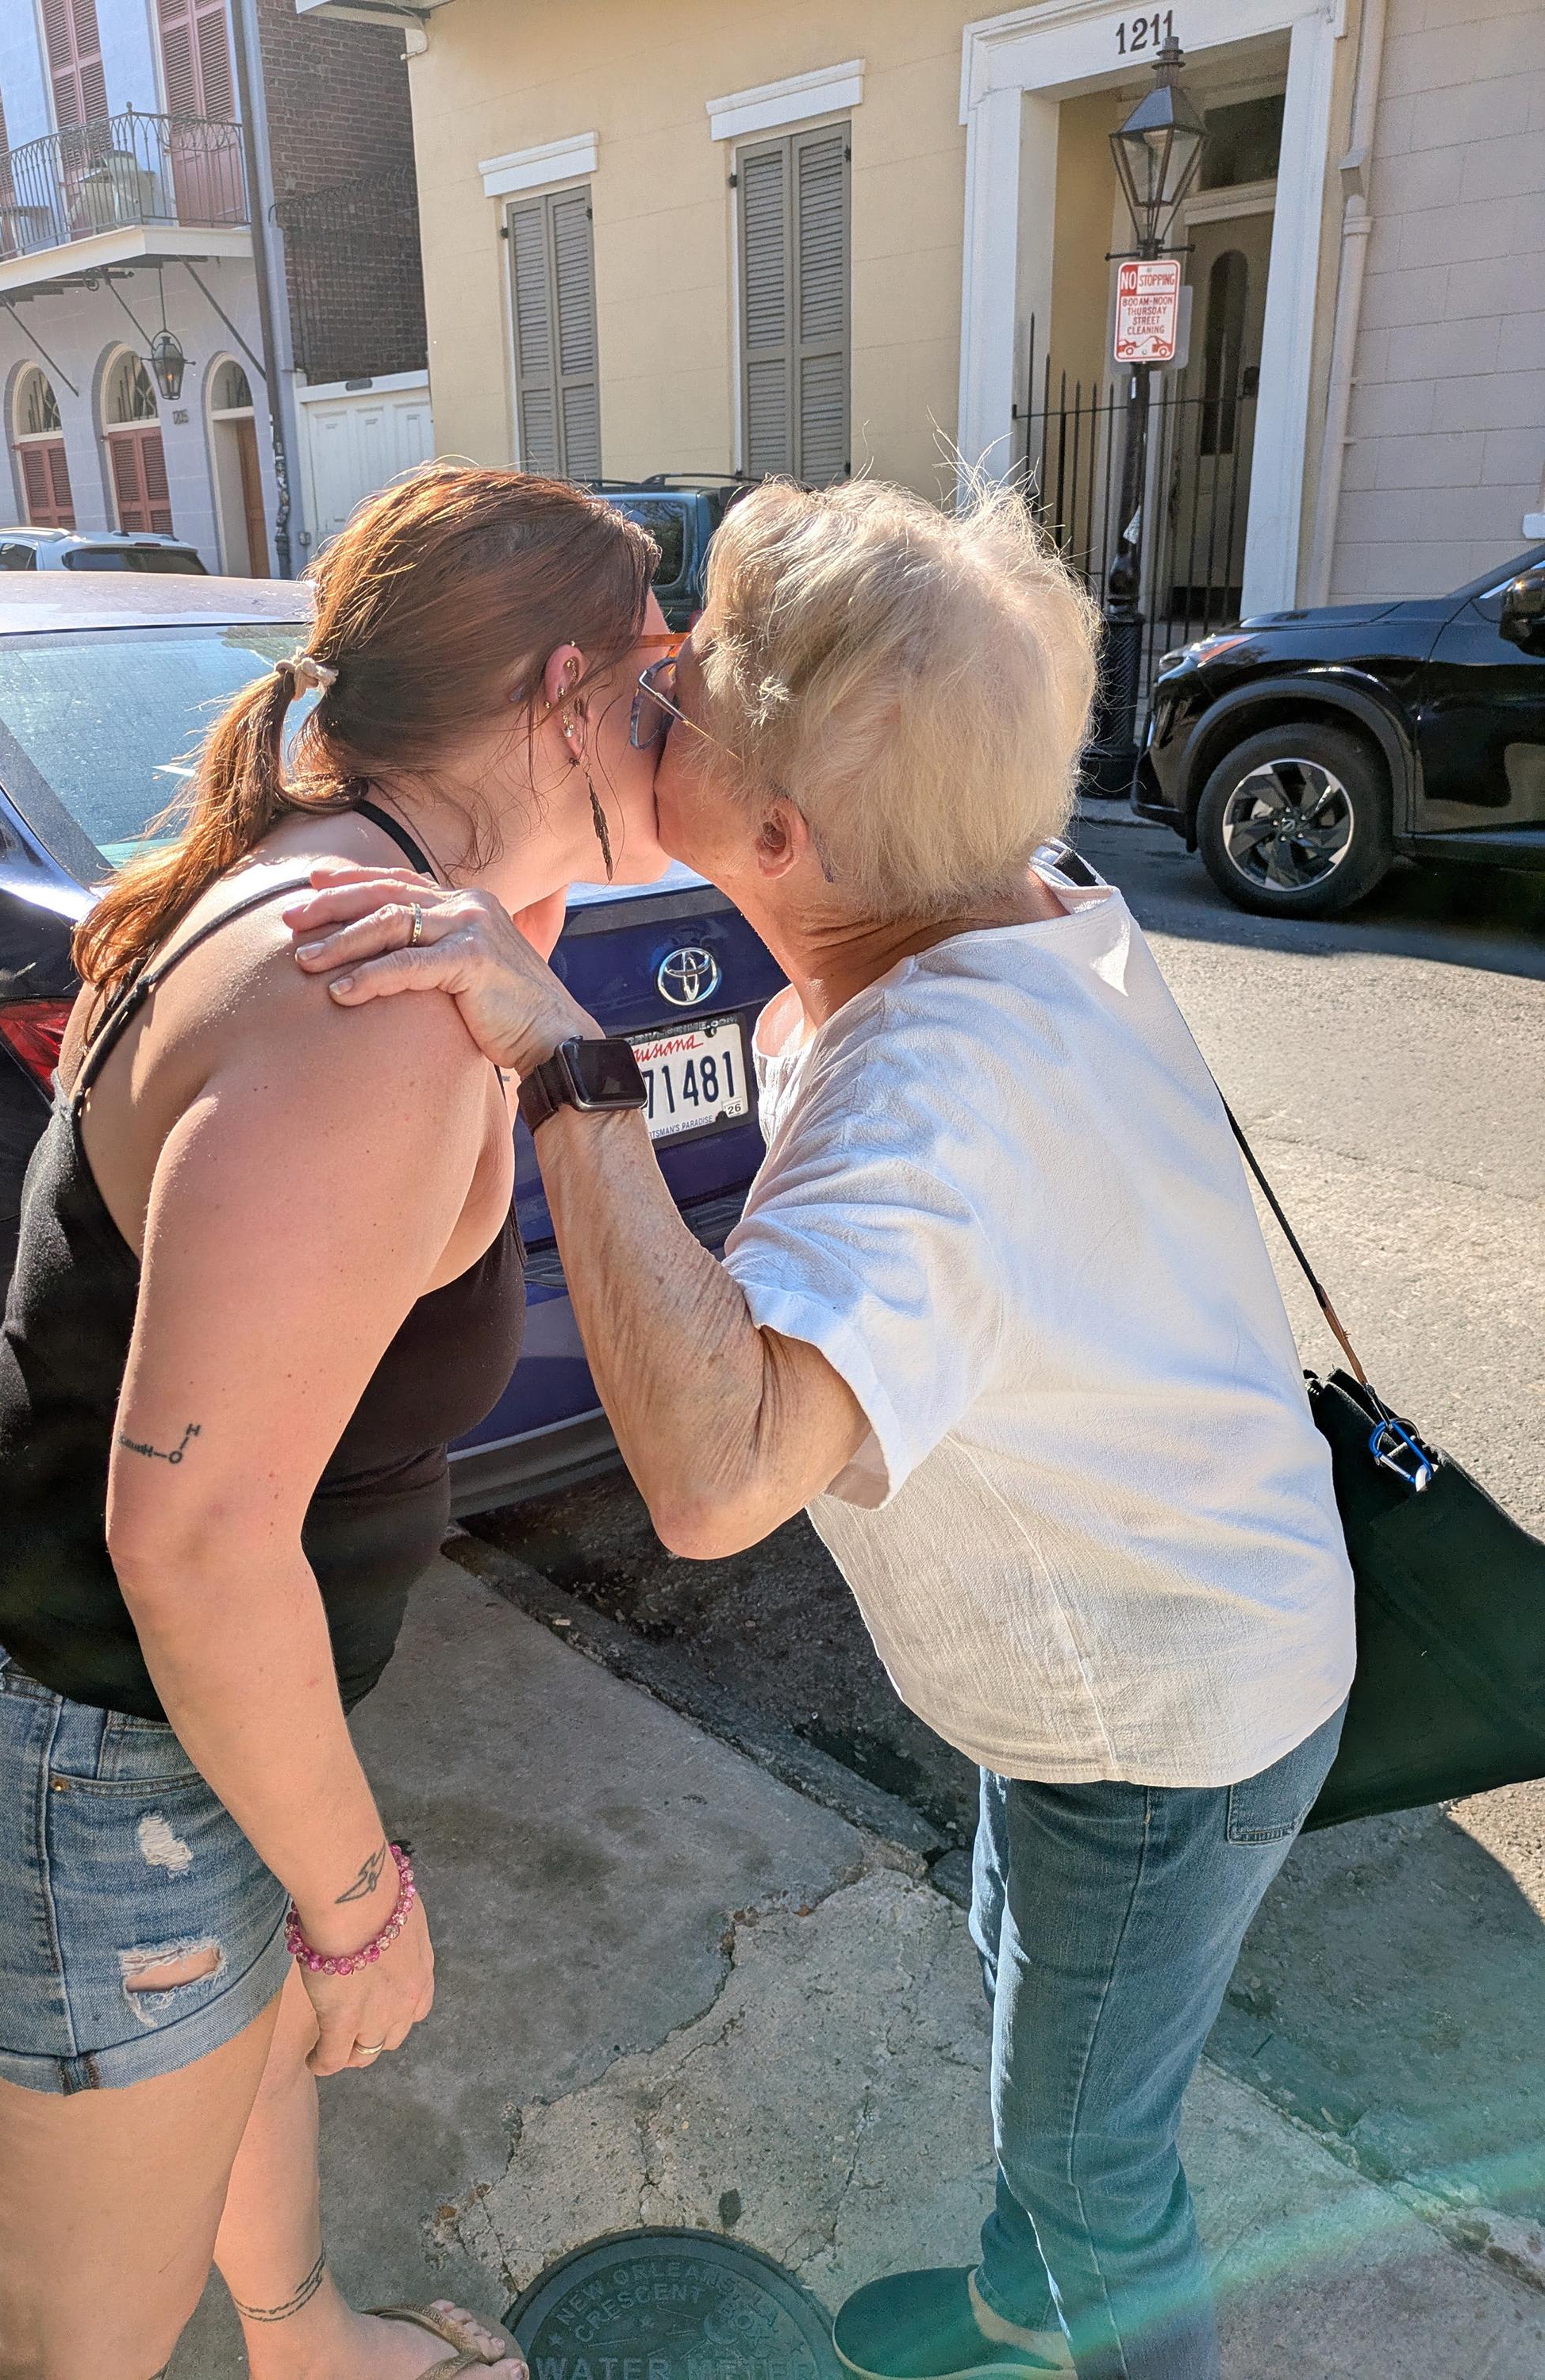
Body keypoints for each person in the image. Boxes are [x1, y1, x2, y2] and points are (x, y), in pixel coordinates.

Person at [284, 476, 1357, 2380]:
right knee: (1034, 1997)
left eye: (688, 674)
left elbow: (716, 1479)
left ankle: (1078, 2311)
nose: (648, 674)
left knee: (1094, 2157)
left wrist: (565, 1063)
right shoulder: (1009, 897)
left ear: (778, 836)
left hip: (1164, 1723)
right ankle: (1020, 2312)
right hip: (1141, 1660)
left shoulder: (930, 1092)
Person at [0, 465, 670, 2380]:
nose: (674, 716)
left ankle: (310, 2346)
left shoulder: (363, 883)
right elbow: (194, 1545)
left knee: (242, 2051)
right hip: (87, 1769)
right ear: (563, 691)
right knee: (87, 2349)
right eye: (655, 674)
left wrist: (536, 921)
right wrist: (359, 1903)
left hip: (124, 1738)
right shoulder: (358, 1001)